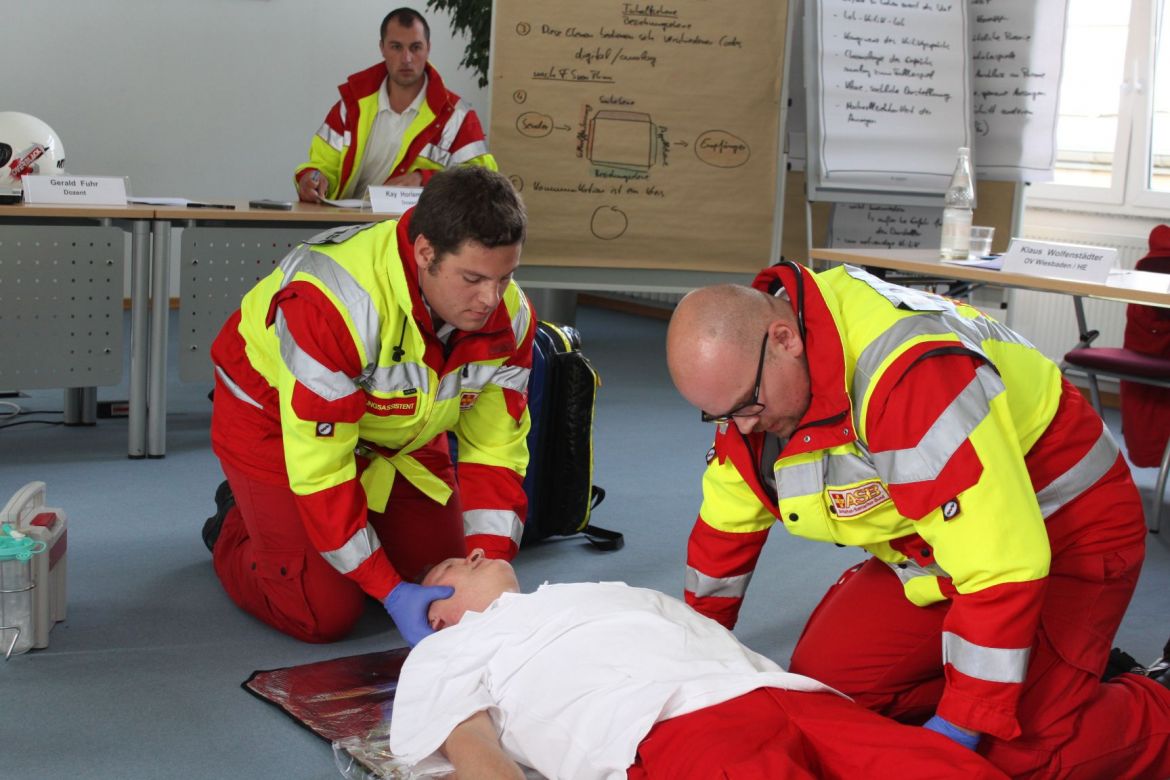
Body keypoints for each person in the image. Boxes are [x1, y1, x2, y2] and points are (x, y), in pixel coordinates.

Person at [665, 260, 1170, 778]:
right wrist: (700, 649)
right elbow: (726, 528)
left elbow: (1001, 565)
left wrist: (962, 723)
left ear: (785, 339)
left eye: (748, 405)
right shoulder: (753, 390)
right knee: (834, 692)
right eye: (722, 416)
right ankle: (1051, 673)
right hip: (936, 545)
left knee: (1014, 757)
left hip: (1065, 527)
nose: (742, 426)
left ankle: (1151, 701)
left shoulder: (910, 375)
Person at [203, 166, 535, 646]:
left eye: (506, 277)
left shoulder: (511, 316)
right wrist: (387, 587)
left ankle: (332, 528)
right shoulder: (334, 302)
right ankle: (237, 519)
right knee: (324, 613)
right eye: (474, 278)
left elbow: (496, 448)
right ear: (425, 252)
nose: (492, 299)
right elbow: (320, 468)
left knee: (441, 573)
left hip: (396, 430)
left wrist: (487, 562)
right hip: (273, 419)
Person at [388, 551, 1009, 779]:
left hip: (788, 694)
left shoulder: (599, 589)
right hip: (669, 729)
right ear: (437, 616)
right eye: (452, 568)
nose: (472, 552)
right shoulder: (447, 649)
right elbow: (474, 755)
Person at [294, 7, 497, 203]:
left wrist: (425, 180)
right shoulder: (350, 106)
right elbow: (322, 166)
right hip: (346, 227)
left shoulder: (458, 116)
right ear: (382, 48)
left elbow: (485, 183)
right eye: (396, 47)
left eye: (415, 47)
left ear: (428, 48)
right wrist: (312, 179)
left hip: (418, 233)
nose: (406, 58)